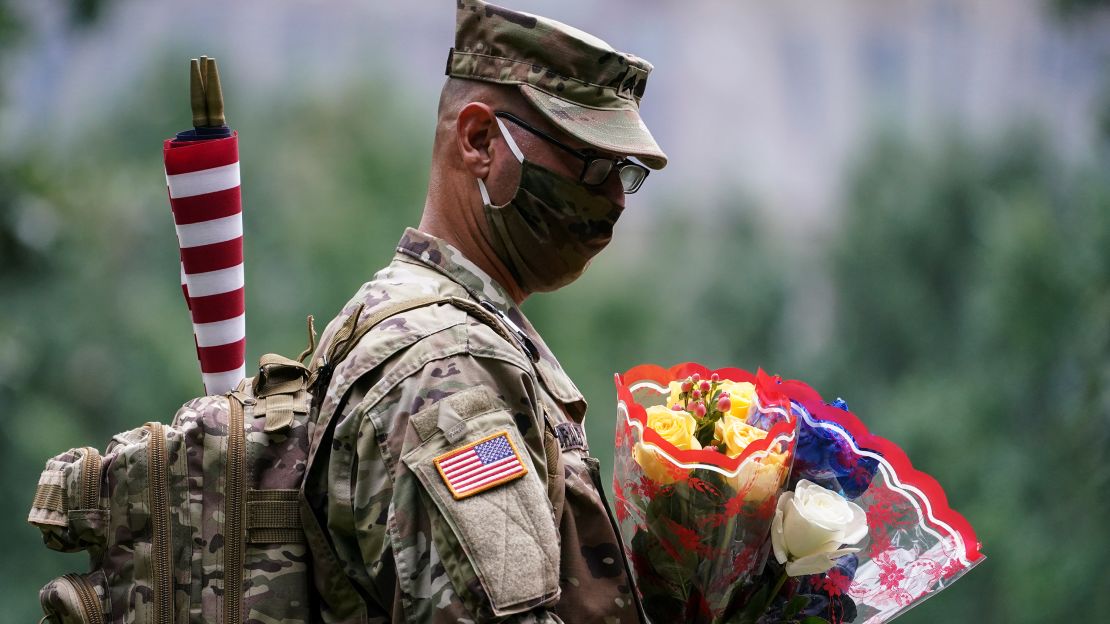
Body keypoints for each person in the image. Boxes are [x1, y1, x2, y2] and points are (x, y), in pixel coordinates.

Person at [300, 1, 668, 622]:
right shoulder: (445, 368)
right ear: (478, 142)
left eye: (623, 172)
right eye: (593, 162)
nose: (613, 199)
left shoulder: (430, 327)